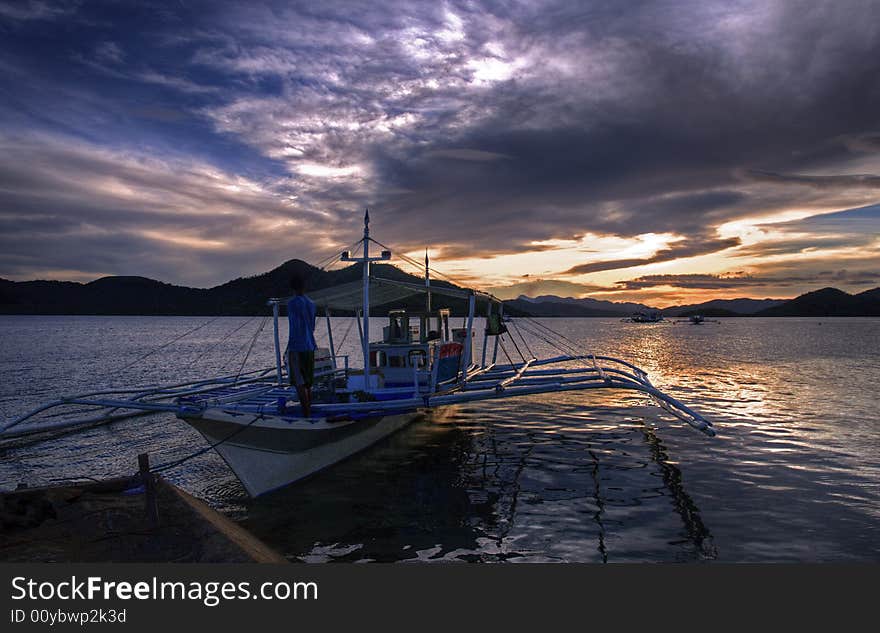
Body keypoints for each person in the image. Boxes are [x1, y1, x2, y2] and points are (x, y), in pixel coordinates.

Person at [287, 273, 317, 417]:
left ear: (292, 287)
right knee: (308, 382)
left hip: (296, 346)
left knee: (299, 382)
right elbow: (312, 326)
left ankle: (306, 414)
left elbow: (294, 325)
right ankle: (308, 409)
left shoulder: (292, 303)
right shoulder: (311, 304)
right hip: (310, 345)